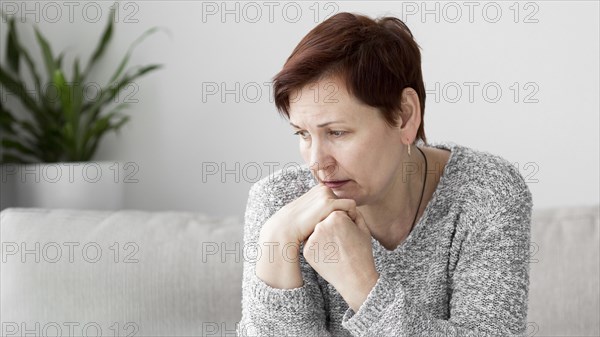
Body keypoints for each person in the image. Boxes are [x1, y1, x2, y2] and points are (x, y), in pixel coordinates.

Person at [238, 12, 533, 337]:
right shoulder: (279, 205)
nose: (317, 163)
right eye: (303, 134)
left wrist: (362, 285)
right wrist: (276, 241)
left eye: (337, 132)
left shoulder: (487, 192)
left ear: (405, 116)